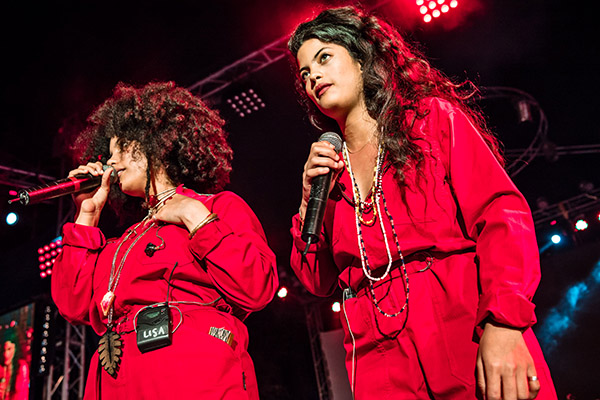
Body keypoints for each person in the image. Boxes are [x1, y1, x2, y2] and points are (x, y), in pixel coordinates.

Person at [287, 6, 556, 400]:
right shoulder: (331, 172)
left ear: (361, 58)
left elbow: (501, 215)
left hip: (463, 329)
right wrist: (311, 198)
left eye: (324, 58)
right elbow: (316, 280)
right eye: (305, 74)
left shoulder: (430, 121)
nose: (313, 78)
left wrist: (504, 325)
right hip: (378, 359)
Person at [51, 81, 278, 399]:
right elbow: (71, 304)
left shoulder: (217, 207)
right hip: (117, 382)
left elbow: (257, 288)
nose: (111, 162)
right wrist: (87, 214)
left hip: (195, 375)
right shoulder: (121, 246)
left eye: (122, 149)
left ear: (153, 144)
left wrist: (194, 216)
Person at [0, 328, 29, 400]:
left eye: (9, 349)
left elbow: (20, 396)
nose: (6, 354)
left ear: (15, 348)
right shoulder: (2, 367)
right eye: (4, 350)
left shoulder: (22, 367)